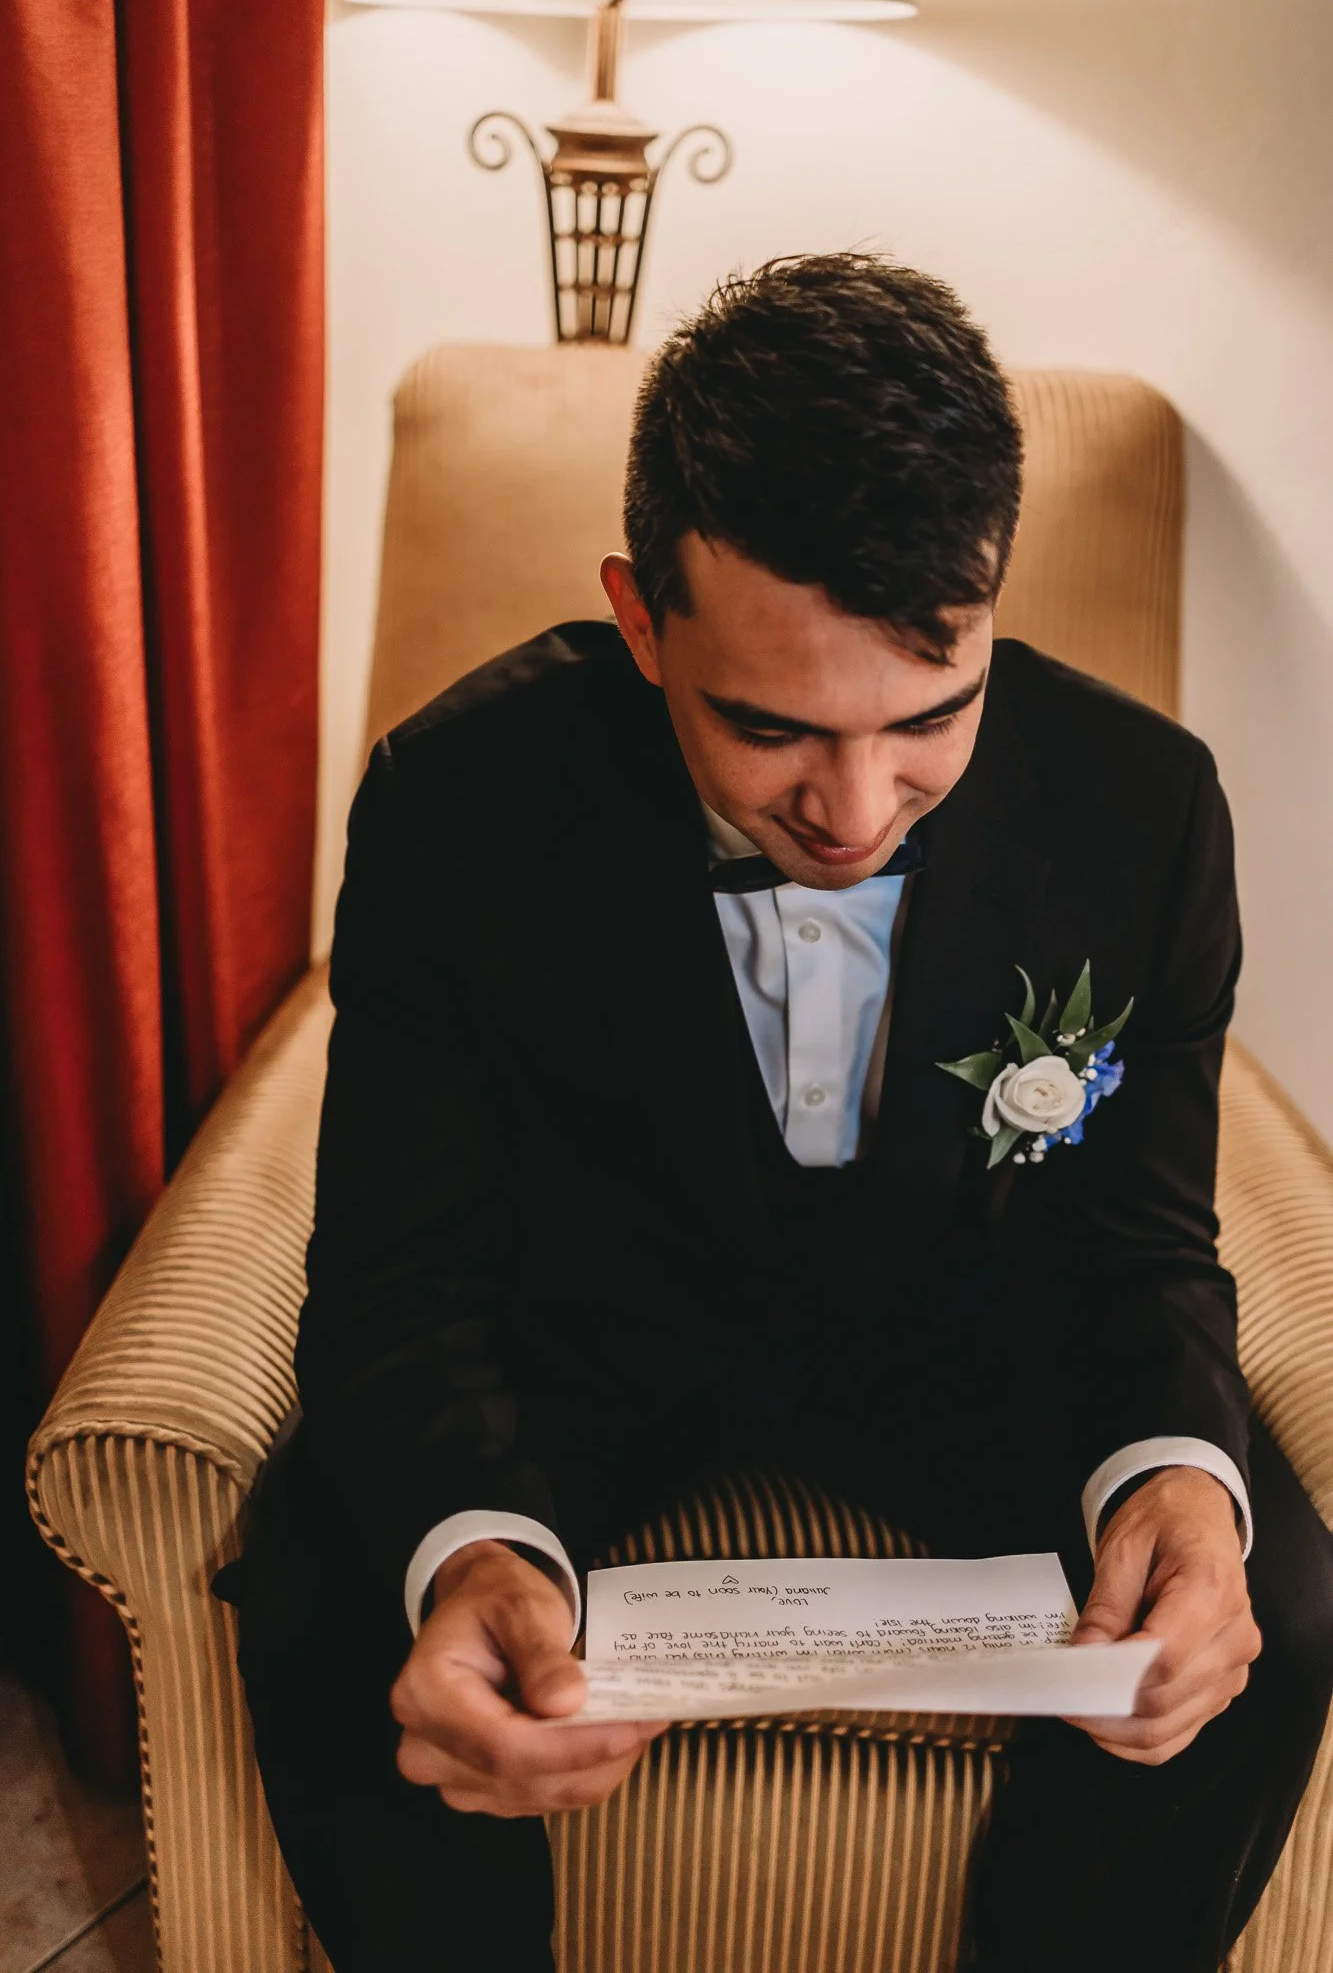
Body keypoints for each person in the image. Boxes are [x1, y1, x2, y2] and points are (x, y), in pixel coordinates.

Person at [232, 254, 1333, 1973]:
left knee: (1281, 1577)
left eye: (930, 716)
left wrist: (1177, 1483)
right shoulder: (453, 803)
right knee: (328, 1577)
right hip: (589, 1338)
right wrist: (471, 1554)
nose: (857, 805)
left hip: (967, 1345)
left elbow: (1144, 1245)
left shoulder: (1146, 813)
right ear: (641, 611)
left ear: (992, 603)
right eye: (769, 728)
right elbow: (402, 1276)